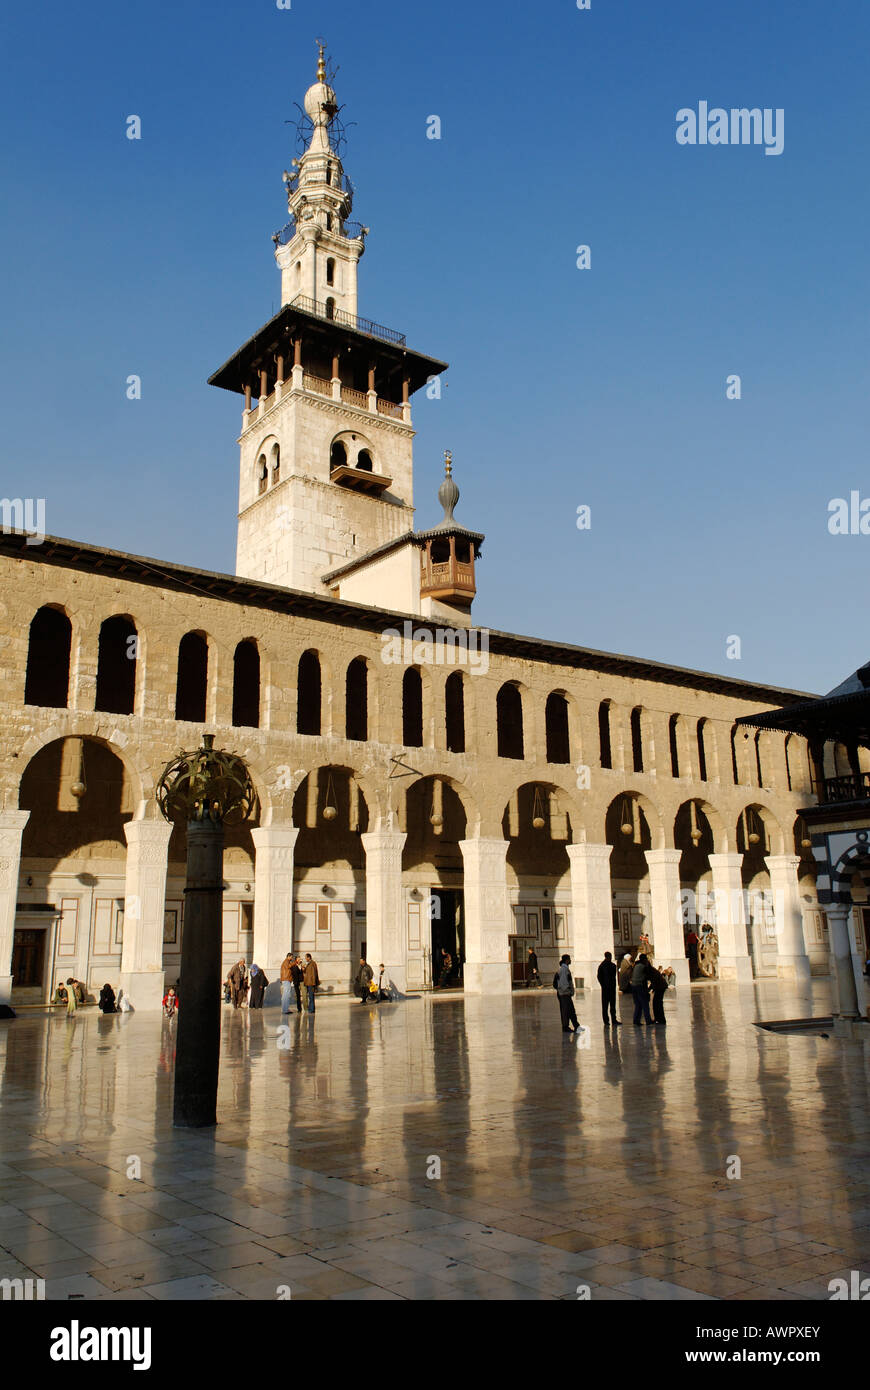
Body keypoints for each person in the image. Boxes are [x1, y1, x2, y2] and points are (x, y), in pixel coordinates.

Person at [553, 954, 581, 1035]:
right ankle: (565, 1026)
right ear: (566, 960)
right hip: (564, 994)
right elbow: (563, 983)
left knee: (571, 1010)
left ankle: (576, 1026)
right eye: (569, 959)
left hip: (564, 994)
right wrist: (567, 991)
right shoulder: (563, 970)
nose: (570, 960)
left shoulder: (564, 969)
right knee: (565, 1011)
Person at [597, 951, 621, 1026]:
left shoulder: (612, 965)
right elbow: (599, 976)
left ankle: (613, 1019)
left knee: (612, 1005)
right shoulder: (603, 966)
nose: (610, 958)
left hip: (610, 988)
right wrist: (603, 984)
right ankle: (607, 1020)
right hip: (606, 988)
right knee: (606, 1005)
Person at [630, 953, 653, 1025]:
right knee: (645, 1004)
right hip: (640, 986)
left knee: (638, 1004)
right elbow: (648, 975)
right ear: (644, 959)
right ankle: (648, 1020)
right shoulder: (643, 966)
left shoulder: (636, 966)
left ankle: (636, 1020)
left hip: (633, 986)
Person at [646, 961, 668, 1025]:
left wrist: (650, 989)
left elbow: (654, 980)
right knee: (657, 1003)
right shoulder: (651, 969)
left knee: (657, 1003)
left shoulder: (650, 970)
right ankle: (659, 1019)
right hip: (660, 986)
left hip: (660, 987)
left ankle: (660, 1019)